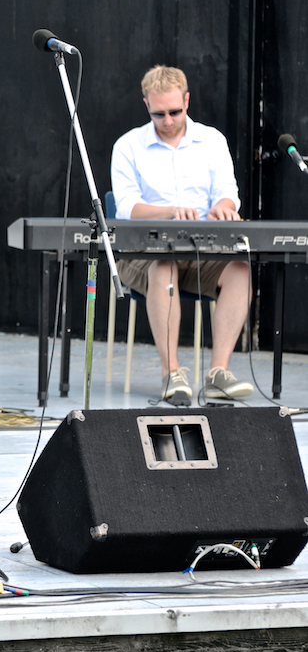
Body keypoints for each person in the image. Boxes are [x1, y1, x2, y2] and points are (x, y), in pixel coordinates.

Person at [110, 65, 253, 404]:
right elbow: (126, 208)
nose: (169, 120)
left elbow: (228, 192)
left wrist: (223, 206)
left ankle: (218, 373)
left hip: (199, 251)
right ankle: (170, 373)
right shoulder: (128, 145)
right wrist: (171, 211)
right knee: (164, 264)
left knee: (240, 269)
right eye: (159, 113)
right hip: (141, 254)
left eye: (175, 111)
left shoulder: (212, 140)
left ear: (187, 100)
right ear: (146, 105)